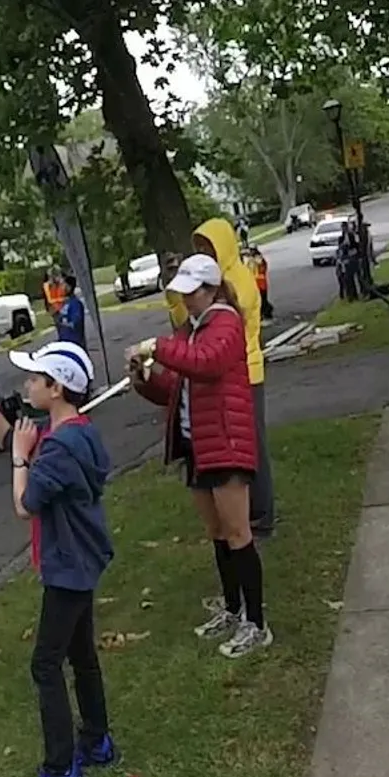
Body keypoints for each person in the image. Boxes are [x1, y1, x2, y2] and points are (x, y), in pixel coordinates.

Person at [0, 342, 117, 777]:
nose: (26, 384)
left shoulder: (58, 450)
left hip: (67, 567)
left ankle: (61, 773)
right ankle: (97, 741)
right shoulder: (74, 432)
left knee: (45, 665)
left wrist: (19, 461)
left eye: (35, 378)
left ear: (57, 388)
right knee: (81, 654)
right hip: (81, 560)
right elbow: (13, 438)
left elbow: (24, 503)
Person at [134, 253, 271, 659]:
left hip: (225, 443)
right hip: (197, 444)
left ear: (211, 290)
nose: (186, 300)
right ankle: (232, 608)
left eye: (191, 293)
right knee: (217, 532)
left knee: (238, 533)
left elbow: (207, 365)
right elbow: (177, 386)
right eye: (182, 293)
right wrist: (145, 378)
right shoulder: (192, 329)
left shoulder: (226, 323)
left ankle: (256, 623)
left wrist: (158, 347)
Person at [169, 218, 275, 542]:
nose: (204, 251)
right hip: (224, 377)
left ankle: (261, 514)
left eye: (209, 246)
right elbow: (186, 322)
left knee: (252, 447)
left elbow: (218, 331)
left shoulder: (237, 282)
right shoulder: (208, 283)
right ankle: (241, 516)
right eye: (199, 246)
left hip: (246, 370)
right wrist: (176, 295)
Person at [54, 275, 86, 350]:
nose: (61, 288)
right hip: (65, 343)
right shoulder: (66, 303)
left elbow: (75, 323)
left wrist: (61, 323)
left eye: (63, 285)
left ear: (69, 287)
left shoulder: (76, 304)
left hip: (74, 344)